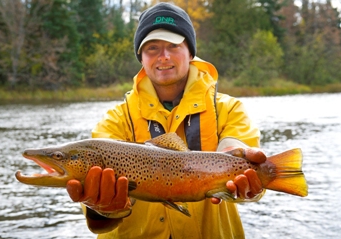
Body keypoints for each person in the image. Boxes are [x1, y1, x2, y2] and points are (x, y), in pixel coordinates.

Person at [66, 2, 267, 238]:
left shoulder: (229, 108)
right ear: (140, 57)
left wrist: (240, 168)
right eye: (152, 48)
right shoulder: (116, 120)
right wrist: (101, 208)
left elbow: (237, 149)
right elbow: (97, 215)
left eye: (173, 45)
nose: (164, 56)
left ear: (190, 52)